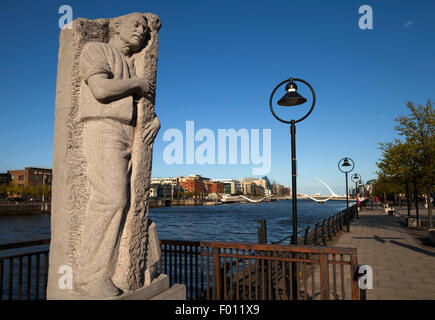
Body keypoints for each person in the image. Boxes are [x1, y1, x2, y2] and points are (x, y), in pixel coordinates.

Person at [75, 13, 160, 298]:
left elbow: (143, 108)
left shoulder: (134, 63)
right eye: (136, 25)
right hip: (104, 128)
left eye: (145, 29)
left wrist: (155, 122)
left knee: (129, 202)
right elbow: (100, 89)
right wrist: (136, 84)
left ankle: (122, 270)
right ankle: (90, 275)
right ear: (116, 26)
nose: (142, 31)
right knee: (110, 199)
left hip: (129, 134)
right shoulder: (96, 50)